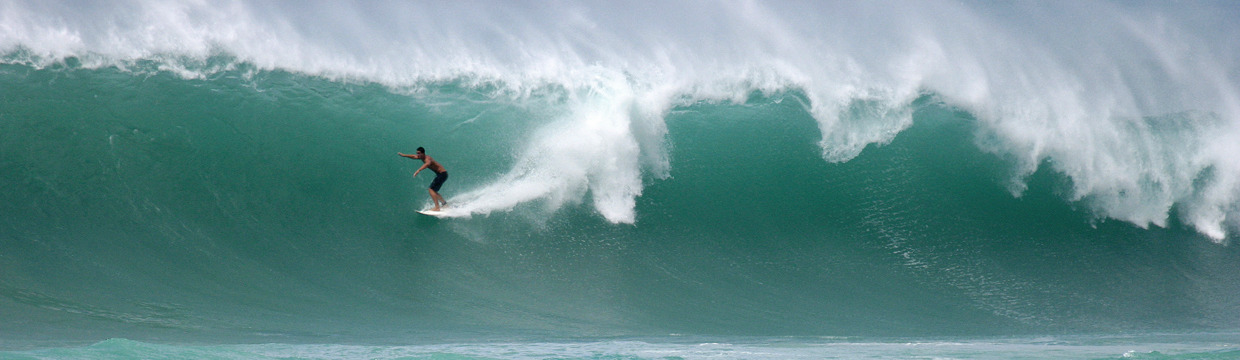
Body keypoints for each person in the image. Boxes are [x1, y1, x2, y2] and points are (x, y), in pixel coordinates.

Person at [398, 147, 449, 211]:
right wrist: (404, 155)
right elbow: (413, 156)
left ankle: (437, 207)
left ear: (423, 153)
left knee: (431, 189)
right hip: (441, 174)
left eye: (419, 153)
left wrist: (418, 170)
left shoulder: (427, 158)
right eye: (417, 153)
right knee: (434, 191)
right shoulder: (421, 157)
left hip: (442, 174)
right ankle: (444, 204)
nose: (418, 155)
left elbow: (427, 164)